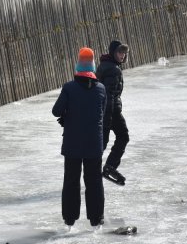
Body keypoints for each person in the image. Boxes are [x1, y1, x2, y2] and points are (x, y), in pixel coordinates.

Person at [52, 47, 106, 229]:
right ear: (92, 67)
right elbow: (102, 113)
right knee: (94, 181)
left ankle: (69, 219)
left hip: (73, 143)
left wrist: (68, 114)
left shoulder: (69, 88)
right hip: (94, 142)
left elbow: (56, 111)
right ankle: (96, 218)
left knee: (71, 180)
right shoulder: (101, 89)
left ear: (77, 66)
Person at [97, 40, 130, 186]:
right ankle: (110, 166)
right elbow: (109, 94)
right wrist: (108, 117)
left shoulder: (105, 66)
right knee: (123, 136)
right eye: (119, 52)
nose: (122, 55)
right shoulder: (113, 70)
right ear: (113, 53)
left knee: (102, 142)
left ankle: (93, 169)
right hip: (111, 111)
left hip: (104, 111)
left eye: (124, 53)